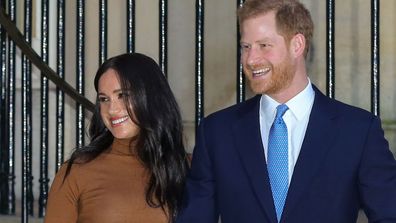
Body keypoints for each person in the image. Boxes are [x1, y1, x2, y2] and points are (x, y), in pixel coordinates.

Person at [176, 0, 396, 223]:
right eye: (246, 47)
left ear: (297, 45)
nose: (251, 59)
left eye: (264, 45)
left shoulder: (357, 131)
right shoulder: (217, 132)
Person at [45, 53, 189, 223]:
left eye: (122, 95)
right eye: (104, 99)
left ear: (151, 97)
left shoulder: (186, 167)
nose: (111, 109)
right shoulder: (77, 171)